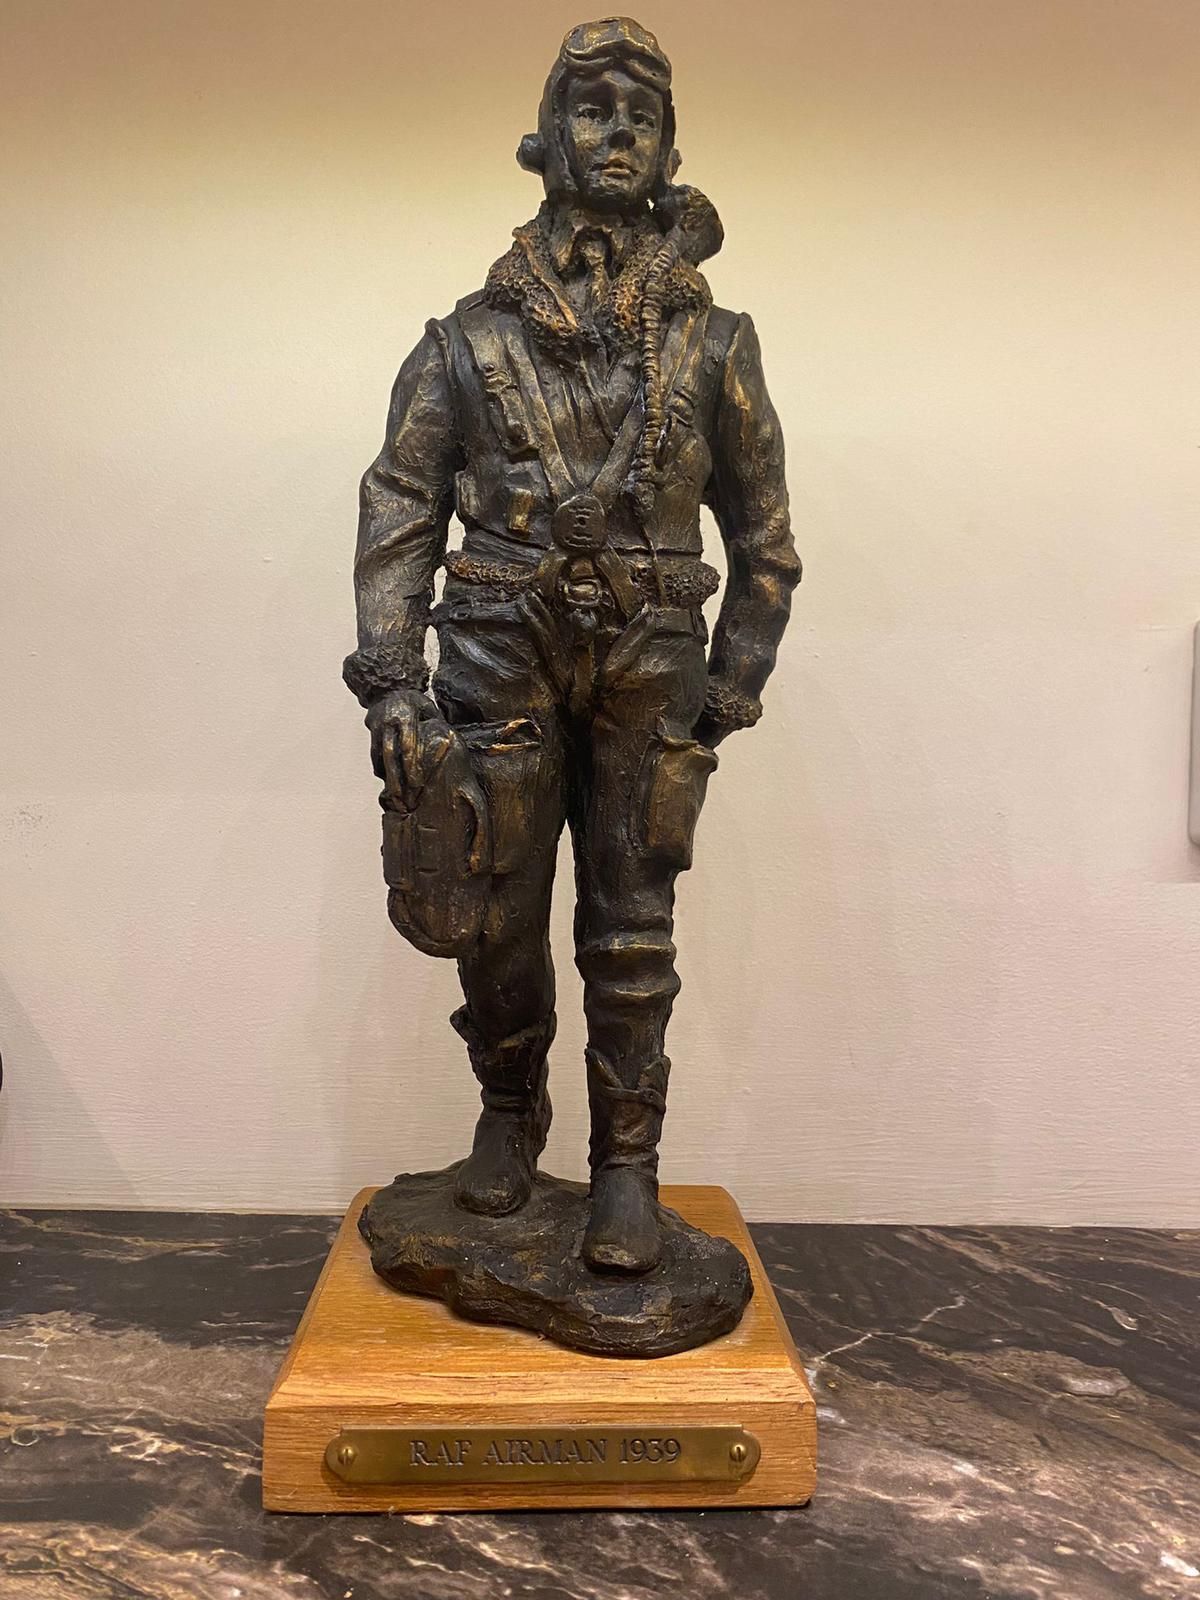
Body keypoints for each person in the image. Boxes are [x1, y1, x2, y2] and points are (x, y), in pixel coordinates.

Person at [344, 17, 800, 1274]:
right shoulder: (466, 342)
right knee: (492, 912)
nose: (617, 135)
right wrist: (392, 678)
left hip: (651, 663)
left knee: (632, 921)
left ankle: (627, 1168)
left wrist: (728, 696)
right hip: (495, 653)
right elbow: (399, 503)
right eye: (592, 111)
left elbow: (765, 544)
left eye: (641, 117)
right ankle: (506, 1116)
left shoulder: (717, 346)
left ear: (668, 154)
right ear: (547, 142)